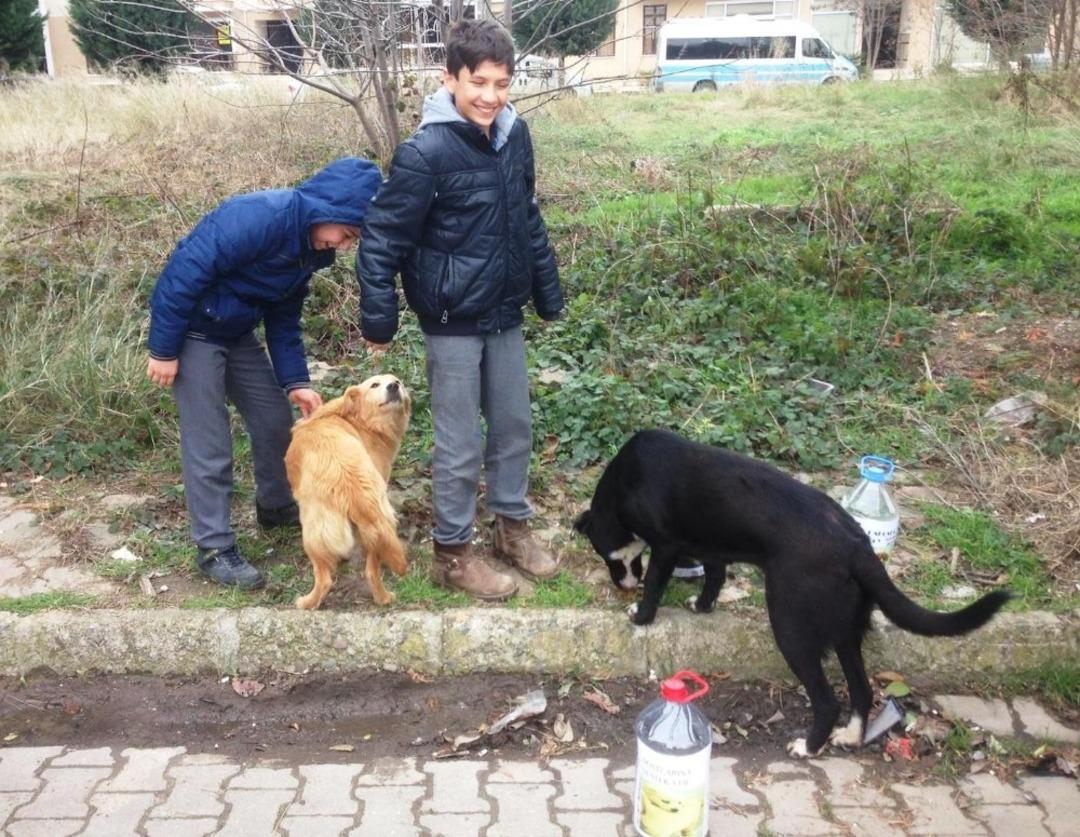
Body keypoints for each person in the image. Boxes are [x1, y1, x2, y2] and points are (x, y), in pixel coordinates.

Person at [357, 19, 564, 601]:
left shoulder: (514, 136)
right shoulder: (424, 153)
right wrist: (380, 319)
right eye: (479, 82)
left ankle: (511, 530)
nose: (491, 97)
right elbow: (382, 238)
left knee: (514, 427)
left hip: (504, 312)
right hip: (450, 320)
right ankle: (451, 554)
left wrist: (546, 292)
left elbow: (526, 217)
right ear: (449, 78)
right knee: (460, 443)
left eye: (502, 83)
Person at [147, 157, 384, 590]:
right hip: (193, 332)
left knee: (275, 419)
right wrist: (163, 349)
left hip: (235, 333)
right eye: (348, 234)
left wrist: (297, 382)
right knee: (209, 440)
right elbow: (182, 273)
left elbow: (283, 318)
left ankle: (275, 508)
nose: (345, 245)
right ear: (328, 210)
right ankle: (214, 546)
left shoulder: (309, 250)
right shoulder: (260, 216)